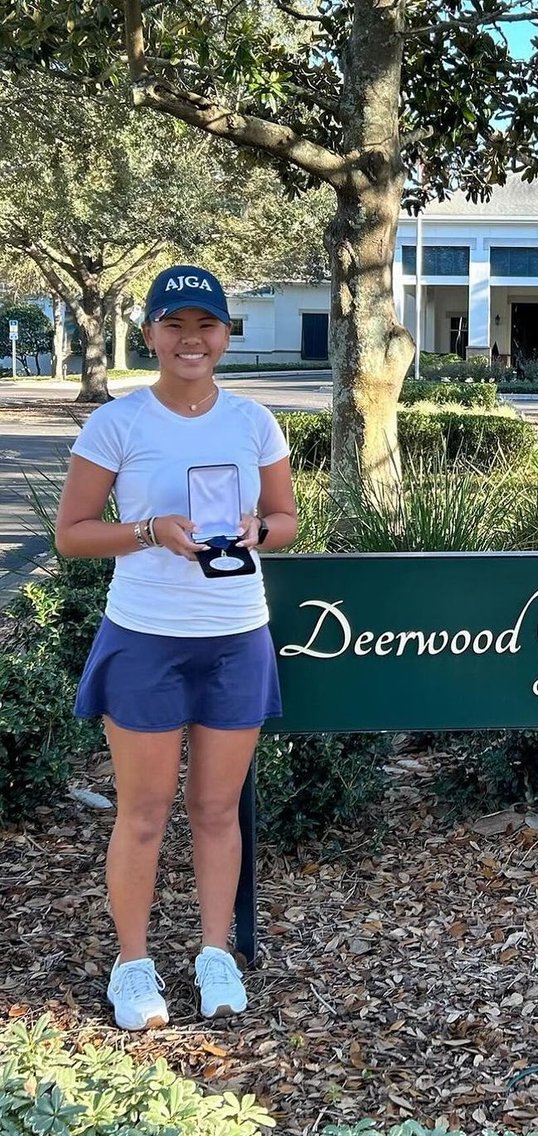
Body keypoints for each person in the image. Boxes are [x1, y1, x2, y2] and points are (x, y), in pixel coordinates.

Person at [55, 265, 298, 1031]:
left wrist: (261, 531)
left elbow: (288, 519)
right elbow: (71, 535)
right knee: (144, 813)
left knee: (218, 808)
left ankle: (214, 952)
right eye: (174, 324)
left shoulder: (254, 420)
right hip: (147, 639)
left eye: (207, 325)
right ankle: (133, 966)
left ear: (227, 335)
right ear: (151, 333)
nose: (191, 340)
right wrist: (150, 532)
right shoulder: (119, 423)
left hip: (236, 637)